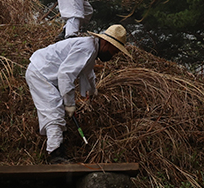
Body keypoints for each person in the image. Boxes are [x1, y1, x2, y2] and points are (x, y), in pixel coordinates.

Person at [25, 24, 131, 163]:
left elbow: (88, 73)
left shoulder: (91, 49)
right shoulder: (86, 49)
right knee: (53, 112)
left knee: (55, 111)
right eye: (114, 50)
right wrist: (70, 105)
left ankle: (58, 148)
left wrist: (93, 92)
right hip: (40, 72)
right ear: (106, 43)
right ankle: (55, 155)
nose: (114, 54)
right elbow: (65, 75)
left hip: (46, 74)